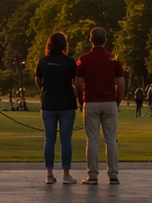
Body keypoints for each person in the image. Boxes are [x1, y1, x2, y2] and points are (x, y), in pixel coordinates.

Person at [76, 26, 124, 185]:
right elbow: (121, 82)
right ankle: (113, 174)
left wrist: (81, 100)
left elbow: (79, 82)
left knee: (92, 140)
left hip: (91, 101)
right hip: (109, 101)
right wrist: (117, 100)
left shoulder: (83, 58)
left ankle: (93, 175)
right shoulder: (114, 57)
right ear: (105, 40)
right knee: (111, 139)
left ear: (90, 40)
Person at [35, 31, 80, 186]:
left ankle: (49, 174)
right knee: (66, 140)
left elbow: (38, 81)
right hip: (66, 103)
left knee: (49, 139)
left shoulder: (42, 61)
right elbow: (76, 82)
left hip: (48, 103)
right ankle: (66, 174)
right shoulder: (70, 62)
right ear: (64, 45)